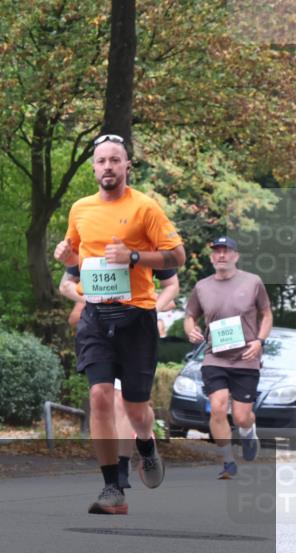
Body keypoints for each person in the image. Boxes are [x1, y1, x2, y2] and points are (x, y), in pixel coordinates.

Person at [54, 133, 185, 515]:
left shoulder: (145, 207)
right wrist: (66, 255)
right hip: (96, 316)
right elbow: (76, 258)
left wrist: (134, 257)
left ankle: (146, 442)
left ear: (127, 165)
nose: (108, 166)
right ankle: (113, 488)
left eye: (115, 160)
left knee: (136, 407)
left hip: (136, 316)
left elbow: (177, 255)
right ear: (93, 168)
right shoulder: (80, 208)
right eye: (101, 161)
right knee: (99, 395)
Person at [59, 265, 180, 490]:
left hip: (137, 337)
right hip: (103, 340)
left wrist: (145, 306)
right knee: (110, 400)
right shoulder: (91, 262)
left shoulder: (143, 255)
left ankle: (145, 443)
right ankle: (118, 472)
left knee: (134, 408)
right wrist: (94, 301)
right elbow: (73, 314)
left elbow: (171, 294)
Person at [184, 236, 272, 479]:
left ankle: (248, 431)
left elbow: (266, 314)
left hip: (246, 357)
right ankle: (227, 460)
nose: (221, 255)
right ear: (212, 257)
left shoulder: (253, 282)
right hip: (215, 358)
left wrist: (259, 341)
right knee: (218, 407)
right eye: (217, 251)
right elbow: (190, 315)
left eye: (227, 251)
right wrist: (190, 329)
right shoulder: (202, 287)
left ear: (236, 256)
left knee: (242, 417)